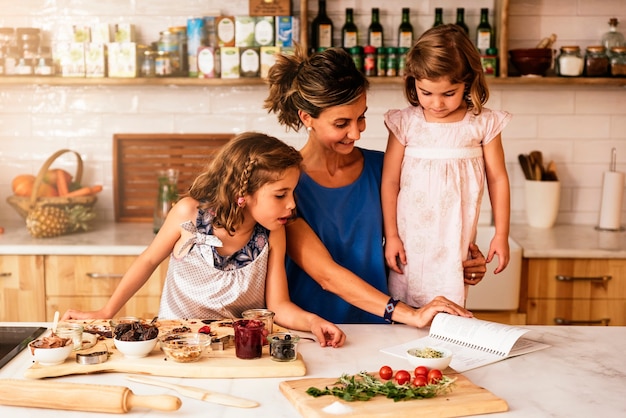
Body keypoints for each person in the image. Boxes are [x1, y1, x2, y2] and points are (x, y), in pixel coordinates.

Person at [264, 45, 486, 327]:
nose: (356, 132)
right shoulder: (284, 186)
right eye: (342, 123)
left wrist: (461, 259)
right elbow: (326, 274)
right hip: (309, 333)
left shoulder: (383, 170)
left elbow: (426, 235)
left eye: (361, 117)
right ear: (307, 118)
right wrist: (410, 314)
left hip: (379, 329)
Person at [62, 132, 345, 348]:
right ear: (242, 193)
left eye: (293, 193)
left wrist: (313, 321)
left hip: (233, 347)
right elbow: (148, 260)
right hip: (175, 344)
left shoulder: (273, 233)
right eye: (280, 195)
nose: (292, 204)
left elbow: (278, 306)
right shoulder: (188, 213)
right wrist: (105, 311)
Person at [381, 24, 512, 309]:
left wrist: (501, 235)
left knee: (449, 313)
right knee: (404, 309)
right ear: (412, 82)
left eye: (449, 93)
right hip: (409, 242)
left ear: (469, 82)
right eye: (426, 93)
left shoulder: (483, 123)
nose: (437, 103)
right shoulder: (405, 123)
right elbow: (390, 181)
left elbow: (498, 179)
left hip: (455, 240)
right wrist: (391, 236)